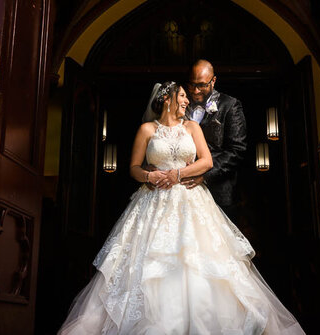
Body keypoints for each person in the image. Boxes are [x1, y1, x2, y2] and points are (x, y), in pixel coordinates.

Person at [58, 81, 305, 335]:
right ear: (167, 99)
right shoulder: (146, 129)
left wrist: (178, 174)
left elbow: (207, 161)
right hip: (152, 201)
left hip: (190, 200)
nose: (187, 101)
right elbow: (133, 167)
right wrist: (149, 177)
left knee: (198, 262)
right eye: (183, 96)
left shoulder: (192, 127)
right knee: (144, 265)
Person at [180, 59, 247, 213]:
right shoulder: (180, 104)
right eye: (192, 84)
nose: (195, 91)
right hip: (183, 191)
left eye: (202, 85)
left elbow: (236, 151)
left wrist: (204, 175)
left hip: (220, 192)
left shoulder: (230, 105)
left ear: (213, 81)